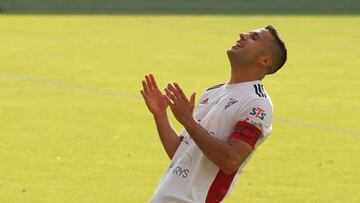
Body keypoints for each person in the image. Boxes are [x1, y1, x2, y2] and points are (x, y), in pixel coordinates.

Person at [140, 25, 287, 203]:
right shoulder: (213, 92)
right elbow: (181, 155)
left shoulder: (257, 103)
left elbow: (231, 161)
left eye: (254, 37)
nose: (243, 34)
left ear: (265, 60)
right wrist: (161, 115)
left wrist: (188, 121)